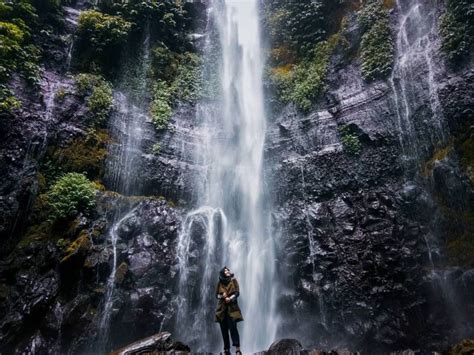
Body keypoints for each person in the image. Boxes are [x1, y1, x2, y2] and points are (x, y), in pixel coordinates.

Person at [215, 266, 243, 355]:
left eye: (228, 270)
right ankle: (226, 350)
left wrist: (230, 298)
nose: (227, 271)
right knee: (224, 330)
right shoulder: (219, 283)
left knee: (233, 328)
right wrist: (222, 296)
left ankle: (237, 349)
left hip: (232, 309)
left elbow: (237, 292)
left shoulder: (233, 280)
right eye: (225, 270)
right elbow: (216, 295)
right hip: (222, 310)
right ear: (222, 273)